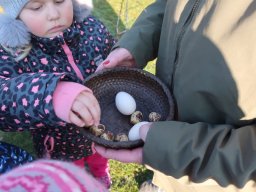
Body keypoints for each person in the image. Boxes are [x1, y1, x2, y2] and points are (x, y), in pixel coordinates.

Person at [95, 0, 256, 191]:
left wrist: (178, 150)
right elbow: (175, 6)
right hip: (165, 146)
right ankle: (162, 182)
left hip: (216, 182)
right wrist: (137, 43)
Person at [0, 0, 115, 188]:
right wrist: (50, 93)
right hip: (60, 142)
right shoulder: (14, 54)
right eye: (37, 7)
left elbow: (111, 52)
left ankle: (100, 172)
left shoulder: (93, 29)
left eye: (60, 1)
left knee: (99, 154)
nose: (53, 15)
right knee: (71, 167)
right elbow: (4, 96)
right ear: (16, 16)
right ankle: (76, 177)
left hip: (101, 125)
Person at [0, 159, 108, 192]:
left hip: (90, 134)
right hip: (62, 137)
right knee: (74, 161)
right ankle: (80, 175)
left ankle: (99, 172)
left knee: (97, 157)